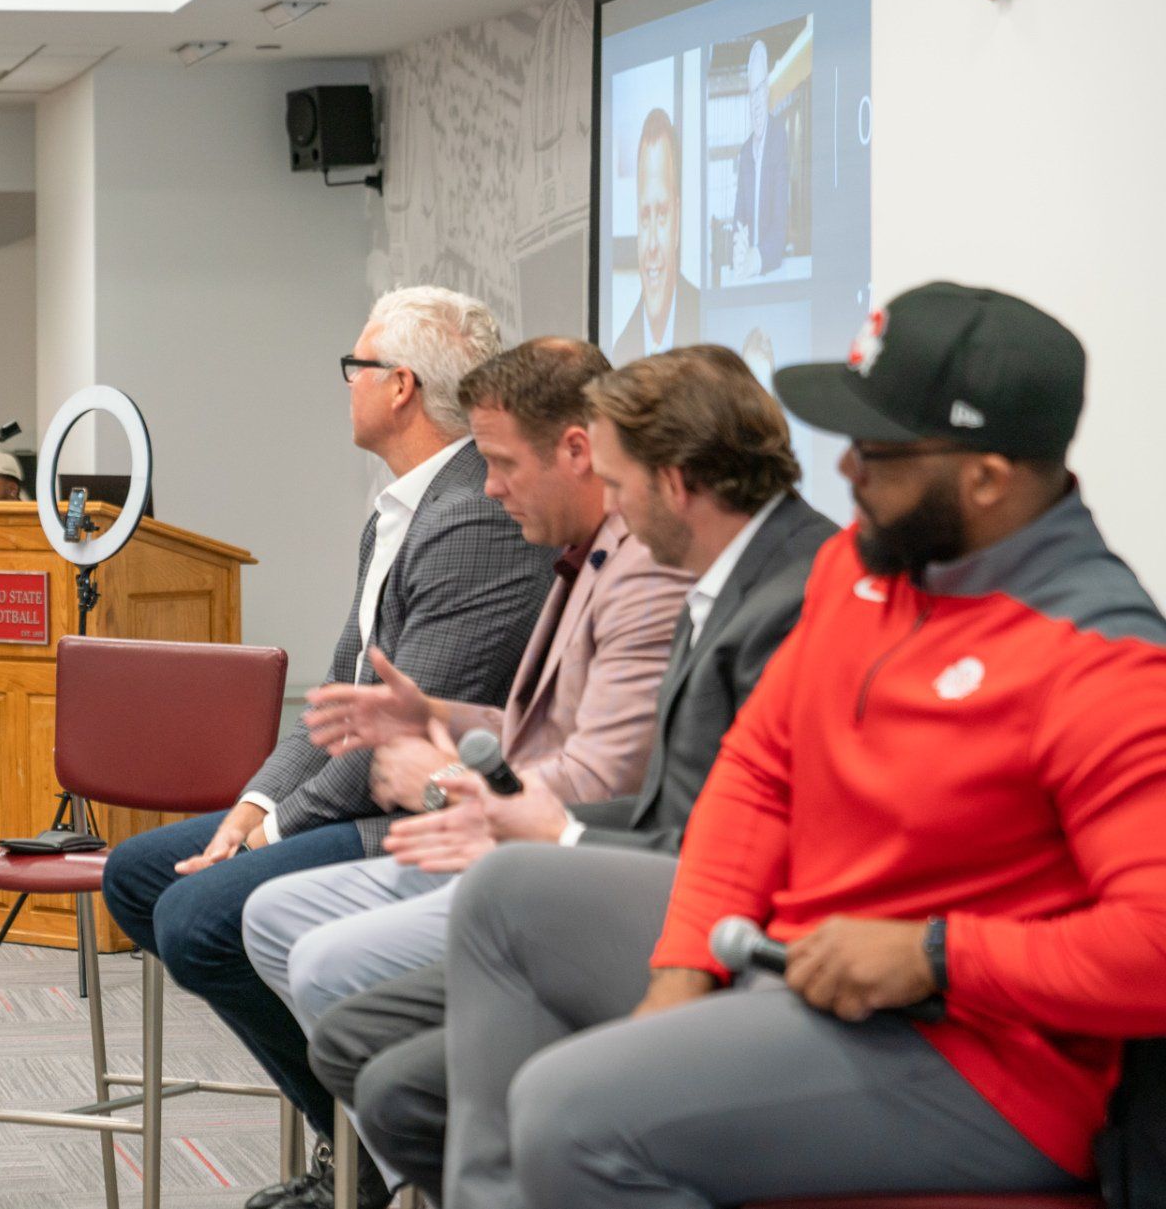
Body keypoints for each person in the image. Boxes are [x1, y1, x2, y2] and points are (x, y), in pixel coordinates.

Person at [455, 283, 1166, 1209]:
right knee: (506, 891)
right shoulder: (860, 568)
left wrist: (937, 954)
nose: (846, 470)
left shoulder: (1106, 660)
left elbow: (1153, 944)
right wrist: (682, 970)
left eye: (876, 451)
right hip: (796, 954)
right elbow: (758, 770)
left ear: (987, 478)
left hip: (972, 1052)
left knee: (569, 1110)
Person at [308, 345, 836, 1204]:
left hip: (728, 925)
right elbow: (684, 804)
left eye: (618, 486)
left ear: (675, 484)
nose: (611, 511)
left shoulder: (788, 596)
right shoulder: (724, 577)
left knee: (471, 955)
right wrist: (527, 812)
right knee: (374, 1042)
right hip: (672, 884)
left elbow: (728, 829)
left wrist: (556, 831)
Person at [99, 286, 555, 1207]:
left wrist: (272, 834)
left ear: (402, 385)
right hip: (374, 788)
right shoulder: (401, 507)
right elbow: (343, 695)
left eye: (357, 366)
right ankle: (351, 1139)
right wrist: (255, 805)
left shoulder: (474, 513)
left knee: (197, 918)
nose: (346, 382)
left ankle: (363, 1154)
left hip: (425, 811)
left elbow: (398, 728)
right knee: (138, 874)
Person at [237, 337, 693, 1206]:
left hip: (567, 861)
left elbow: (598, 780)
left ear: (577, 450)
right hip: (521, 840)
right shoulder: (586, 549)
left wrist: (440, 779)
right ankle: (403, 1172)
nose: (488, 487)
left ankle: (402, 1176)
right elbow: (534, 732)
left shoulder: (639, 571)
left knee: (320, 960)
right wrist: (435, 716)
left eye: (501, 463)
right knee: (266, 916)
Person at [612, 108, 700, 364]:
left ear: (677, 221)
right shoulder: (620, 352)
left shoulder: (707, 318)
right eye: (644, 216)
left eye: (661, 214)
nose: (651, 244)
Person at [731, 39, 791, 282]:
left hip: (770, 271)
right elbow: (739, 215)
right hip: (746, 277)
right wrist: (738, 246)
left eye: (760, 90)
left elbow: (780, 224)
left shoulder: (779, 138)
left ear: (768, 90)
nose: (755, 102)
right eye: (751, 92)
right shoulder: (745, 152)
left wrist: (754, 259)